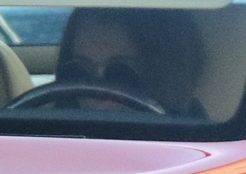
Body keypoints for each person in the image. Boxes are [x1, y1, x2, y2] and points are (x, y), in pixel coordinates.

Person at [52, 7, 204, 115]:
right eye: (78, 73)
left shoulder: (206, 144)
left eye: (120, 74)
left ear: (165, 77)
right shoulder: (48, 132)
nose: (95, 93)